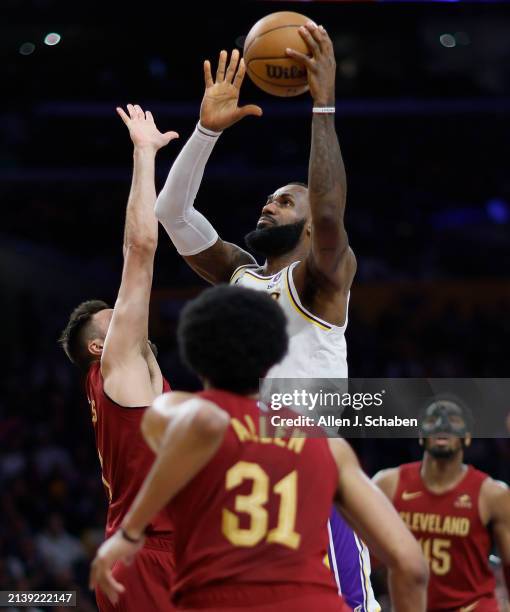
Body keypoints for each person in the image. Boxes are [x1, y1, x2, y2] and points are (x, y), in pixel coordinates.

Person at [153, 21, 375, 610]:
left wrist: (322, 106)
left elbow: (329, 216)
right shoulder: (241, 274)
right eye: (270, 196)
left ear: (307, 221)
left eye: (285, 199)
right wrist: (204, 131)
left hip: (316, 478)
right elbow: (171, 213)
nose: (267, 203)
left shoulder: (322, 279)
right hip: (249, 483)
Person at [90, 285, 428, 612]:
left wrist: (130, 532)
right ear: (272, 360)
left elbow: (205, 425)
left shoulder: (181, 413)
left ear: (195, 359)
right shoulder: (326, 444)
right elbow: (411, 565)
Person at [59, 105, 179, 611]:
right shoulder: (117, 366)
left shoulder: (137, 377)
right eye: (114, 319)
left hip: (167, 548)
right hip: (147, 555)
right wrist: (144, 154)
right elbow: (141, 246)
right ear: (96, 349)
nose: (126, 316)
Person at [373, 398, 510, 611]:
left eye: (453, 420)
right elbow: (361, 556)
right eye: (432, 419)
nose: (442, 425)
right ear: (421, 436)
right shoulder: (387, 484)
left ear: (467, 437)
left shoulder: (492, 494)